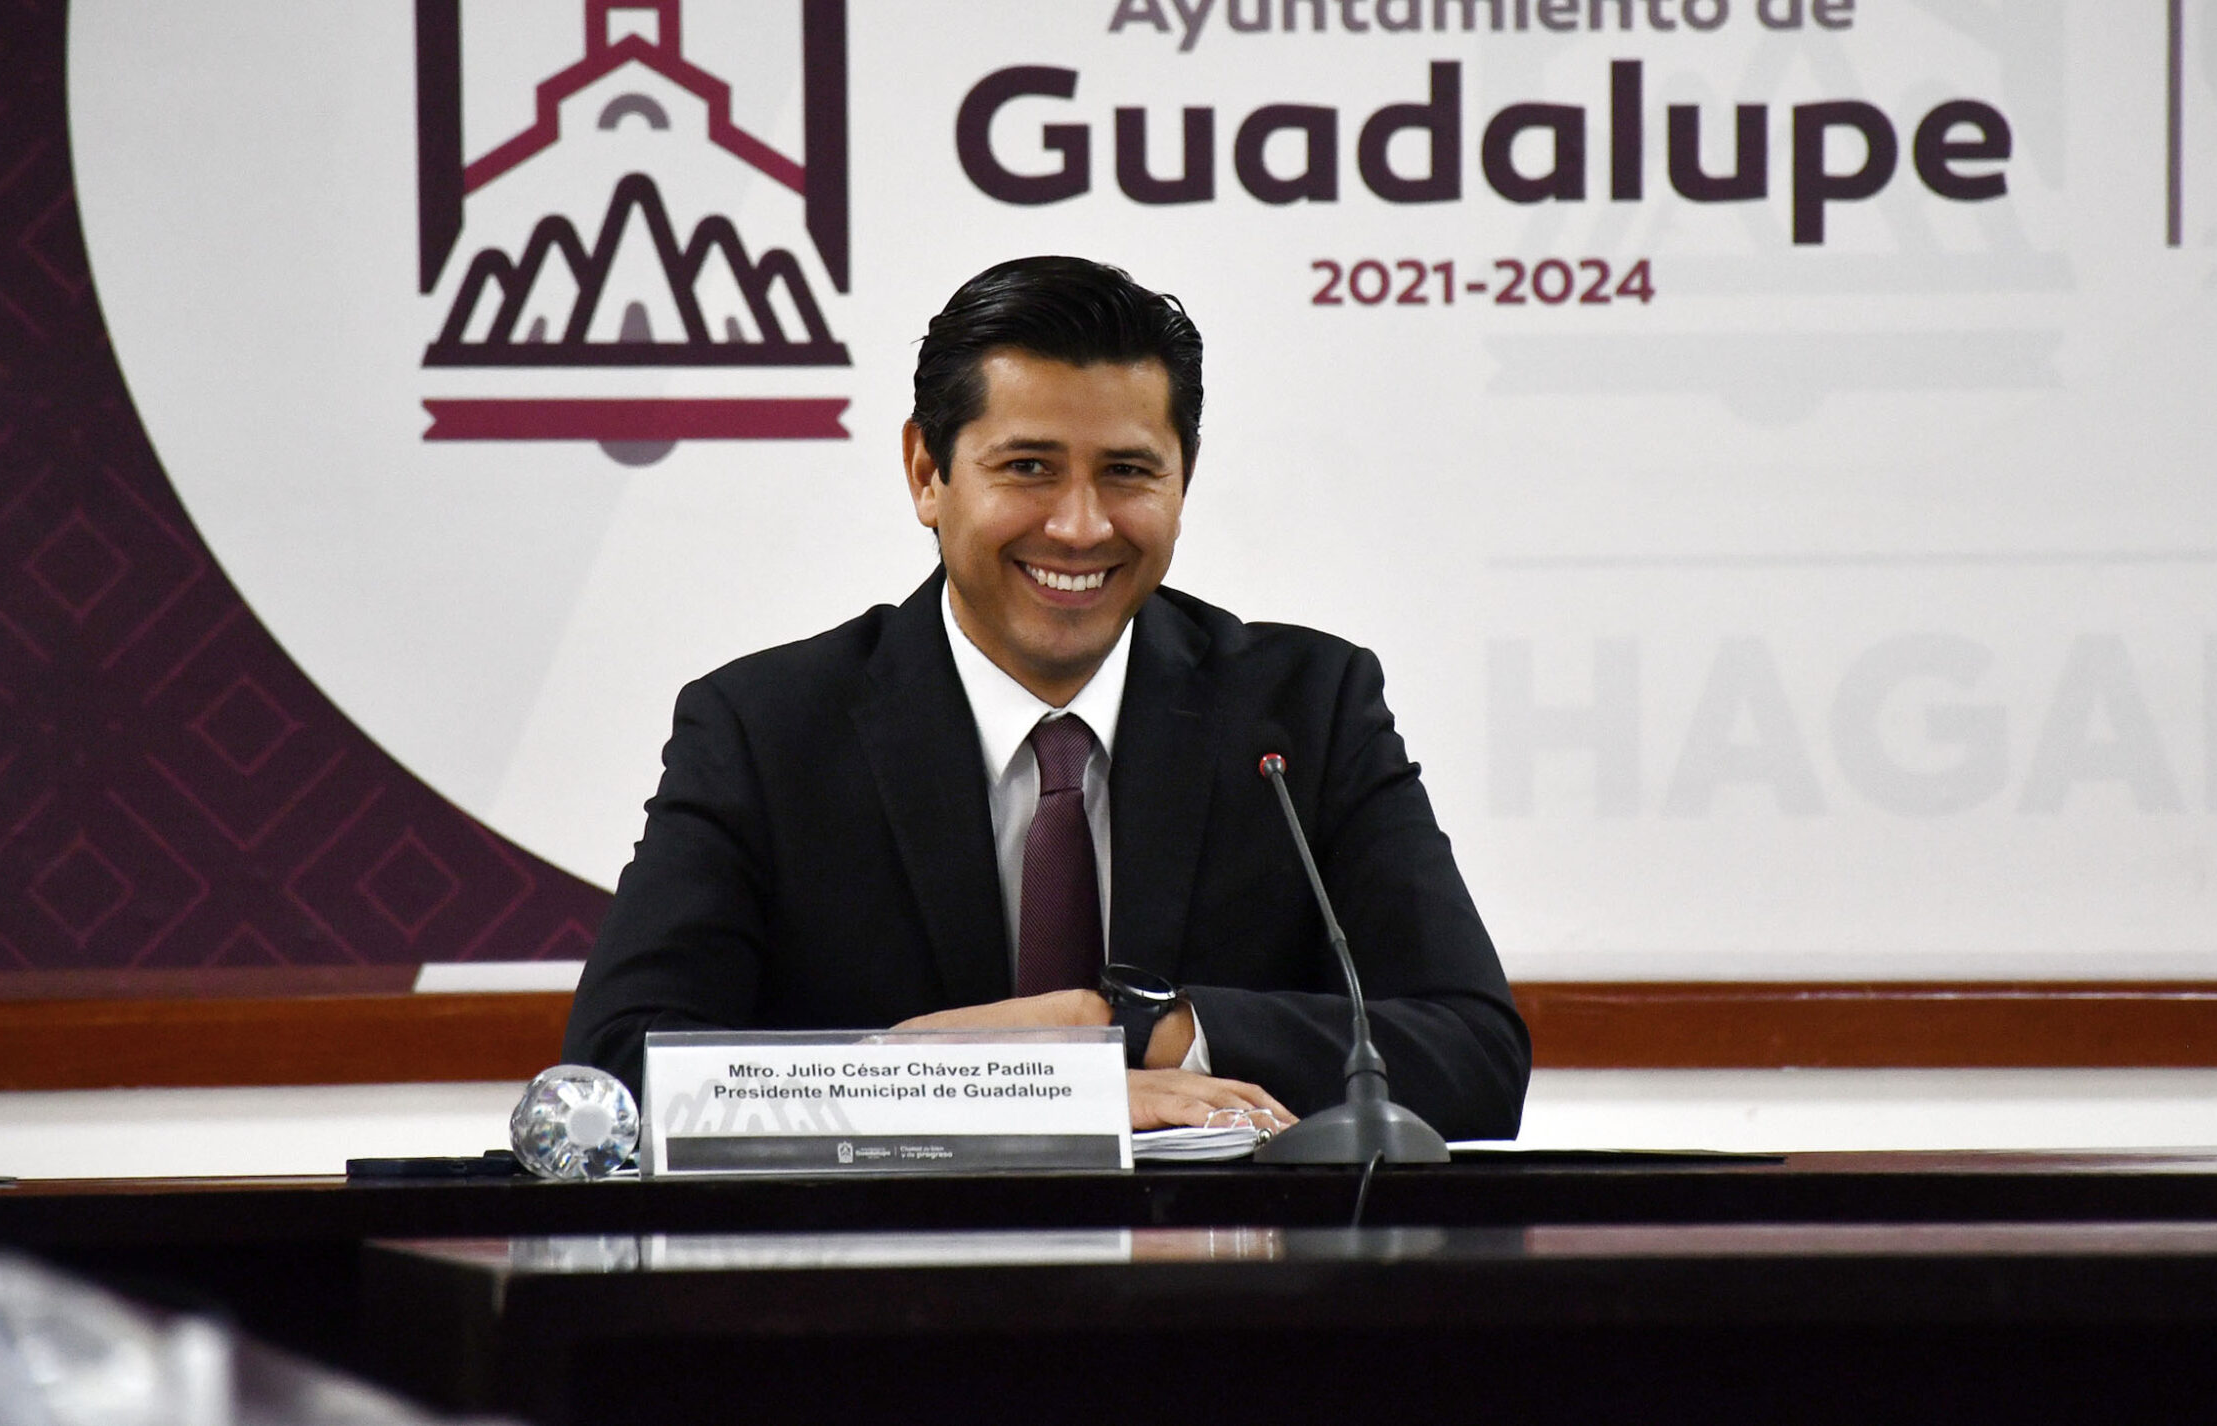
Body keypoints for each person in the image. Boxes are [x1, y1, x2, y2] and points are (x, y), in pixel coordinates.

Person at [562, 256, 1528, 1137]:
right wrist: (1009, 1084)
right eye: (1028, 468)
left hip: (1211, 1270)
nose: (1080, 526)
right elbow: (618, 1078)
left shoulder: (1304, 714)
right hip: (885, 1273)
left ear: (1184, 482)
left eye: (1128, 472)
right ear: (927, 473)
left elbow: (1474, 1056)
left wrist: (1139, 1028)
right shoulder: (766, 731)